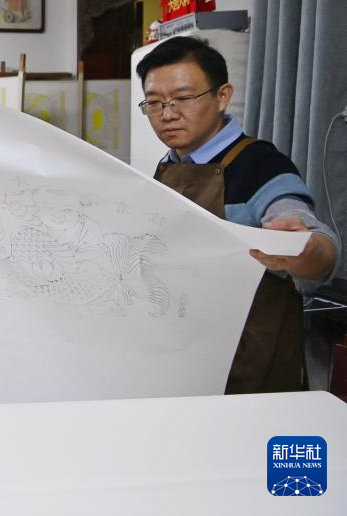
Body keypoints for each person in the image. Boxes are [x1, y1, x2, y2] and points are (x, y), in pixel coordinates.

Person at [137, 36, 340, 393]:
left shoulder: (261, 166)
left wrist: (303, 249)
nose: (167, 114)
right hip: (183, 353)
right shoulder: (167, 166)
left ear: (222, 96)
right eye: (154, 103)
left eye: (183, 98)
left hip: (249, 360)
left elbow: (319, 246)